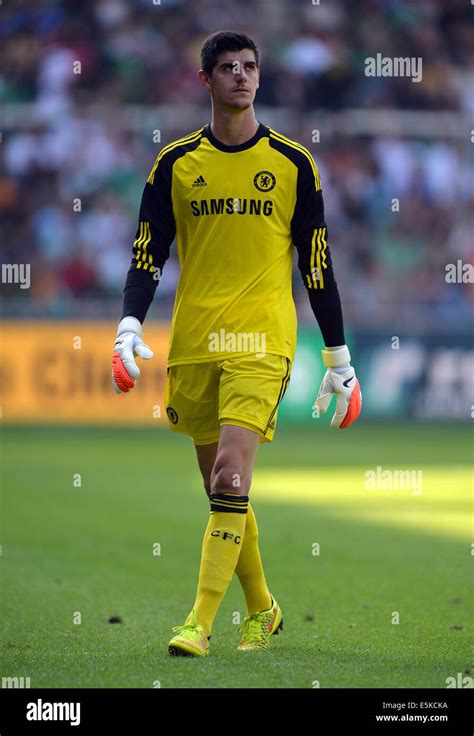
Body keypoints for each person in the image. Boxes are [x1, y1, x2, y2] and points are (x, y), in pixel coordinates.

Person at [111, 30, 362, 657]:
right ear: (206, 80)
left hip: (262, 341)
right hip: (196, 342)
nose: (242, 77)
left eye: (250, 67)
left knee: (230, 472)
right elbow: (148, 254)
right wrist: (129, 324)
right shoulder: (174, 165)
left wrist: (338, 357)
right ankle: (264, 608)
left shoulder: (293, 164)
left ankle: (196, 622)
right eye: (228, 68)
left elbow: (318, 266)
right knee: (223, 490)